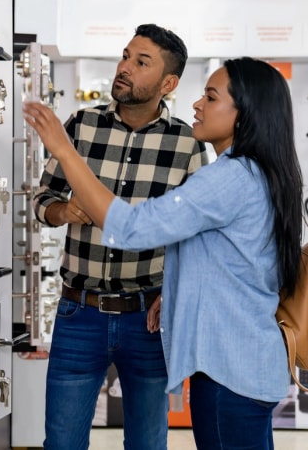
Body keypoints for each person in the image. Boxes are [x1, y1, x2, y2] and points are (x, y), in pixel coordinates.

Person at [25, 56, 303, 449]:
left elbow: (133, 227)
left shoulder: (229, 177)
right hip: (241, 365)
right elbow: (229, 261)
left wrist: (64, 151)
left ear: (245, 113)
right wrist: (174, 292)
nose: (197, 105)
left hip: (230, 371)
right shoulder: (260, 172)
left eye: (211, 96)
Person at [32, 24, 208, 450]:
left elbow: (198, 235)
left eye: (141, 61)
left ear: (168, 83)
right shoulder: (81, 125)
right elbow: (44, 197)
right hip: (79, 312)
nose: (125, 67)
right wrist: (61, 210)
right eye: (125, 56)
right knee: (61, 442)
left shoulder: (187, 143)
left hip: (148, 319)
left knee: (147, 443)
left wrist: (177, 289)